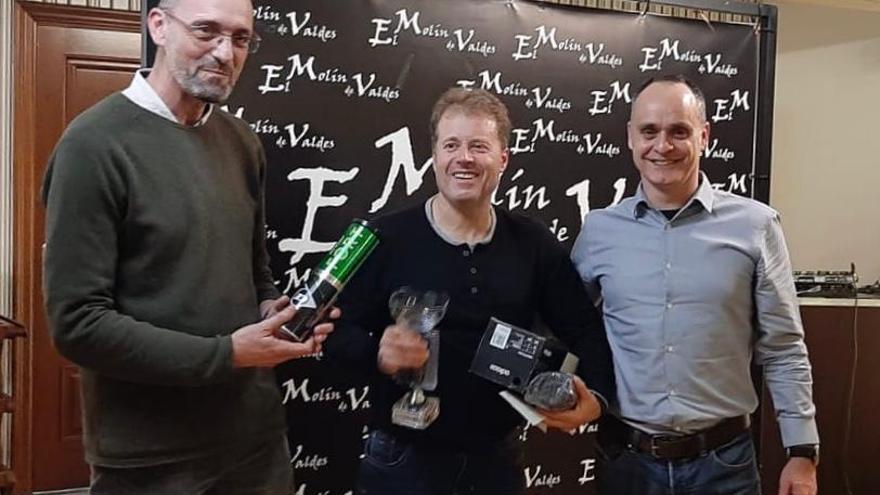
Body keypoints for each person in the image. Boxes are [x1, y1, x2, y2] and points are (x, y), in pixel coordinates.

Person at [41, 0, 335, 493]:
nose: (225, 52)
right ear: (158, 25)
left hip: (255, 441)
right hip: (150, 458)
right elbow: (77, 324)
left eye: (241, 39)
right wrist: (228, 354)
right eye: (206, 31)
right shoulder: (93, 145)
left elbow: (254, 266)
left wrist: (272, 310)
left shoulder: (241, 142)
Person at [324, 87, 615, 495]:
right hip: (403, 459)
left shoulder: (532, 243)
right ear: (435, 156)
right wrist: (376, 352)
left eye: (479, 146)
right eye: (452, 145)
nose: (464, 158)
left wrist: (597, 397)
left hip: (497, 459)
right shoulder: (384, 238)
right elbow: (332, 333)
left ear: (502, 159)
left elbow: (584, 326)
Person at [571, 74, 819, 495]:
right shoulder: (598, 231)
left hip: (724, 466)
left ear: (704, 136)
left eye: (679, 131)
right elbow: (568, 324)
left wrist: (802, 451)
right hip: (627, 464)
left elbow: (783, 348)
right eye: (649, 131)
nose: (662, 146)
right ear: (631, 137)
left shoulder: (756, 226)